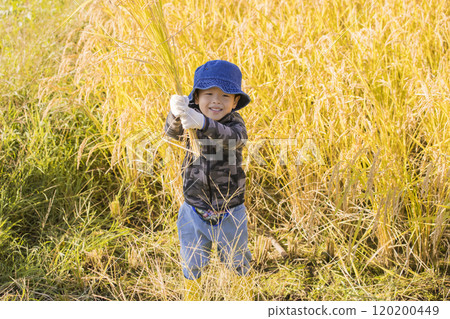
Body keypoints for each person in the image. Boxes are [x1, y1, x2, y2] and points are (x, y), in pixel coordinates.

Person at [164, 60, 252, 300]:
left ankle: (242, 298)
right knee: (192, 260)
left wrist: (203, 123)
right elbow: (170, 133)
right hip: (194, 207)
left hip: (230, 209)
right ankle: (193, 300)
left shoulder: (234, 124)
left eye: (225, 95)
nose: (216, 100)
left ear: (235, 102)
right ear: (196, 97)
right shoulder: (189, 120)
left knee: (237, 260)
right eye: (209, 94)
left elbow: (236, 139)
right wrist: (176, 113)